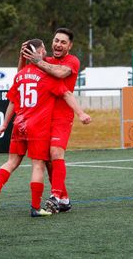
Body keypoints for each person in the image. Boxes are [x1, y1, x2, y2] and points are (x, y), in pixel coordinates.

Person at [0, 39, 91, 217]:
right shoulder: (46, 75)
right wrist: (81, 113)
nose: (46, 51)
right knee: (38, 166)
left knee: (11, 162)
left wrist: (4, 124)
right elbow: (66, 93)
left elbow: (13, 100)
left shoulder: (19, 76)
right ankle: (36, 207)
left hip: (19, 125)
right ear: (38, 52)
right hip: (37, 127)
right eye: (44, 49)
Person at [19, 28, 80, 213]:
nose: (58, 44)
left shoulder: (72, 61)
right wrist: (24, 57)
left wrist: (38, 61)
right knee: (47, 160)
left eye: (63, 42)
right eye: (56, 40)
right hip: (42, 116)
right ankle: (63, 199)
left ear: (69, 45)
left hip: (62, 117)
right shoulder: (46, 60)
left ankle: (54, 196)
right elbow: (22, 75)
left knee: (55, 153)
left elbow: (60, 73)